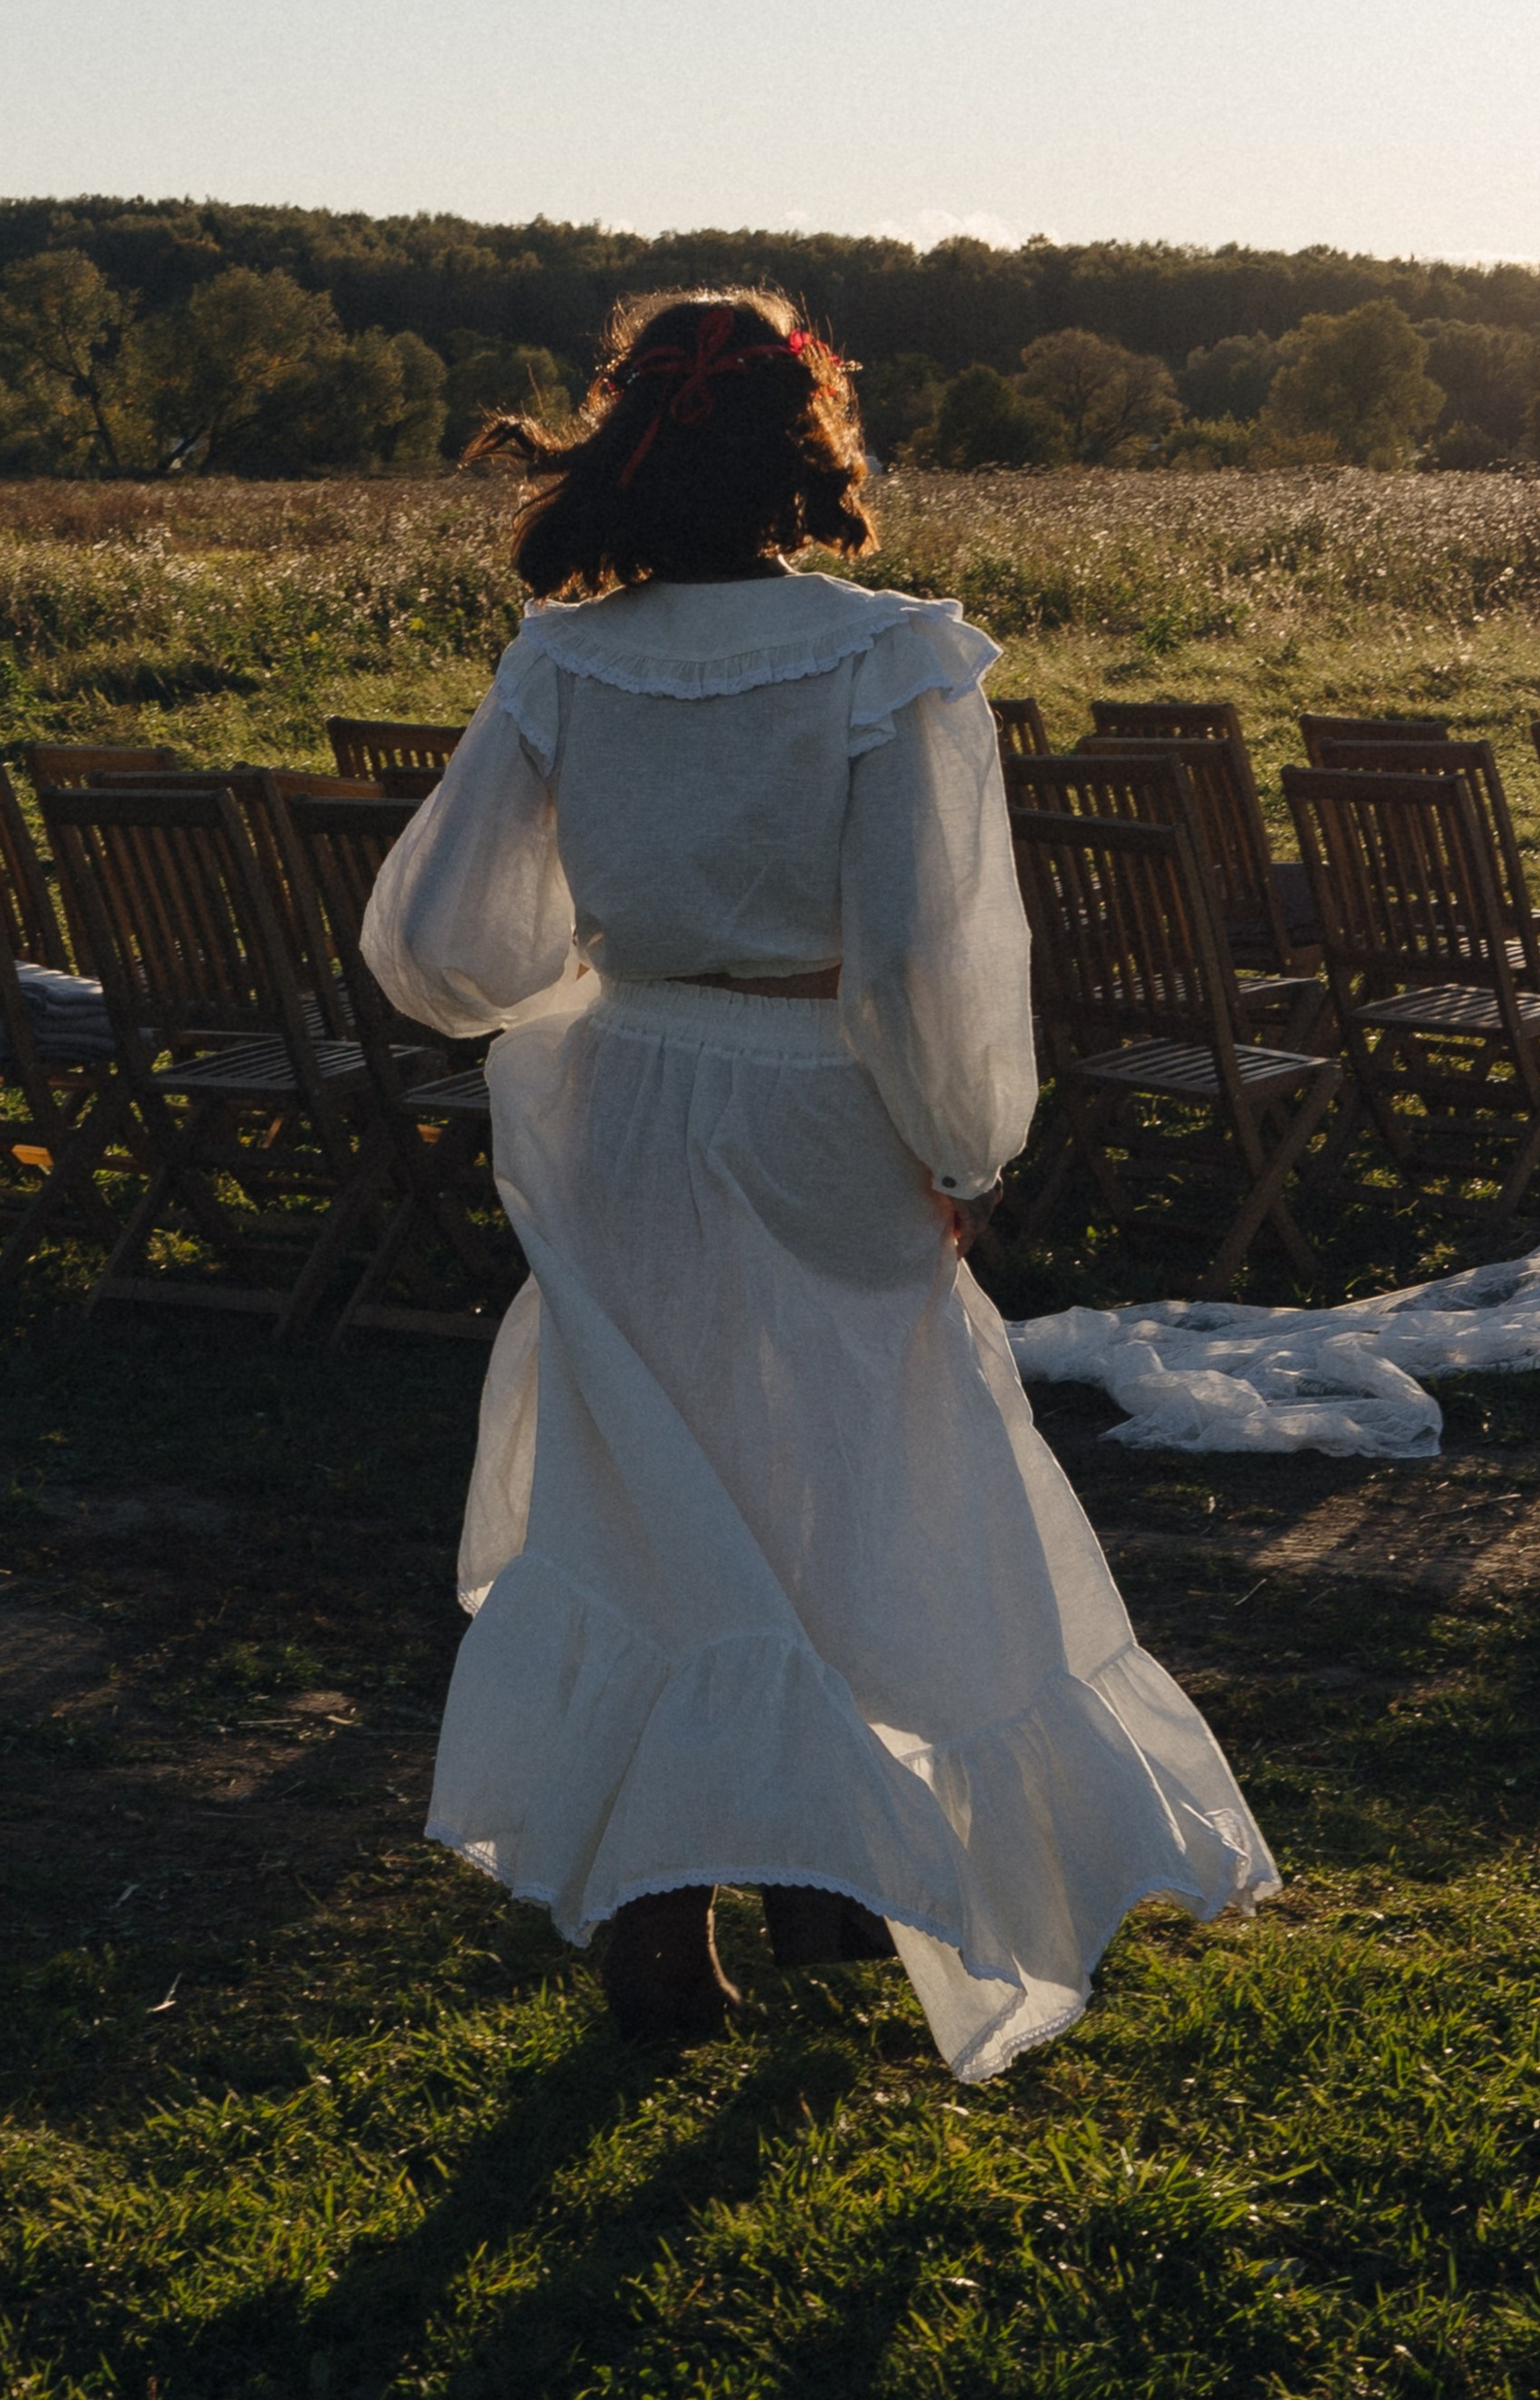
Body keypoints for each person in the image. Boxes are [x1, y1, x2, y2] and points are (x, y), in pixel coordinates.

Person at [361, 288, 1275, 2080]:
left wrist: (605, 963)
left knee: (649, 1479)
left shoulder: (568, 659)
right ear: (808, 446)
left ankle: (699, 1896)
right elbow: (932, 943)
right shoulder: (890, 655)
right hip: (815, 1102)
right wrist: (958, 1138)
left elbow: (450, 937)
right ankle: (817, 1869)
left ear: (633, 442)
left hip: (630, 1098)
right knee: (854, 1469)